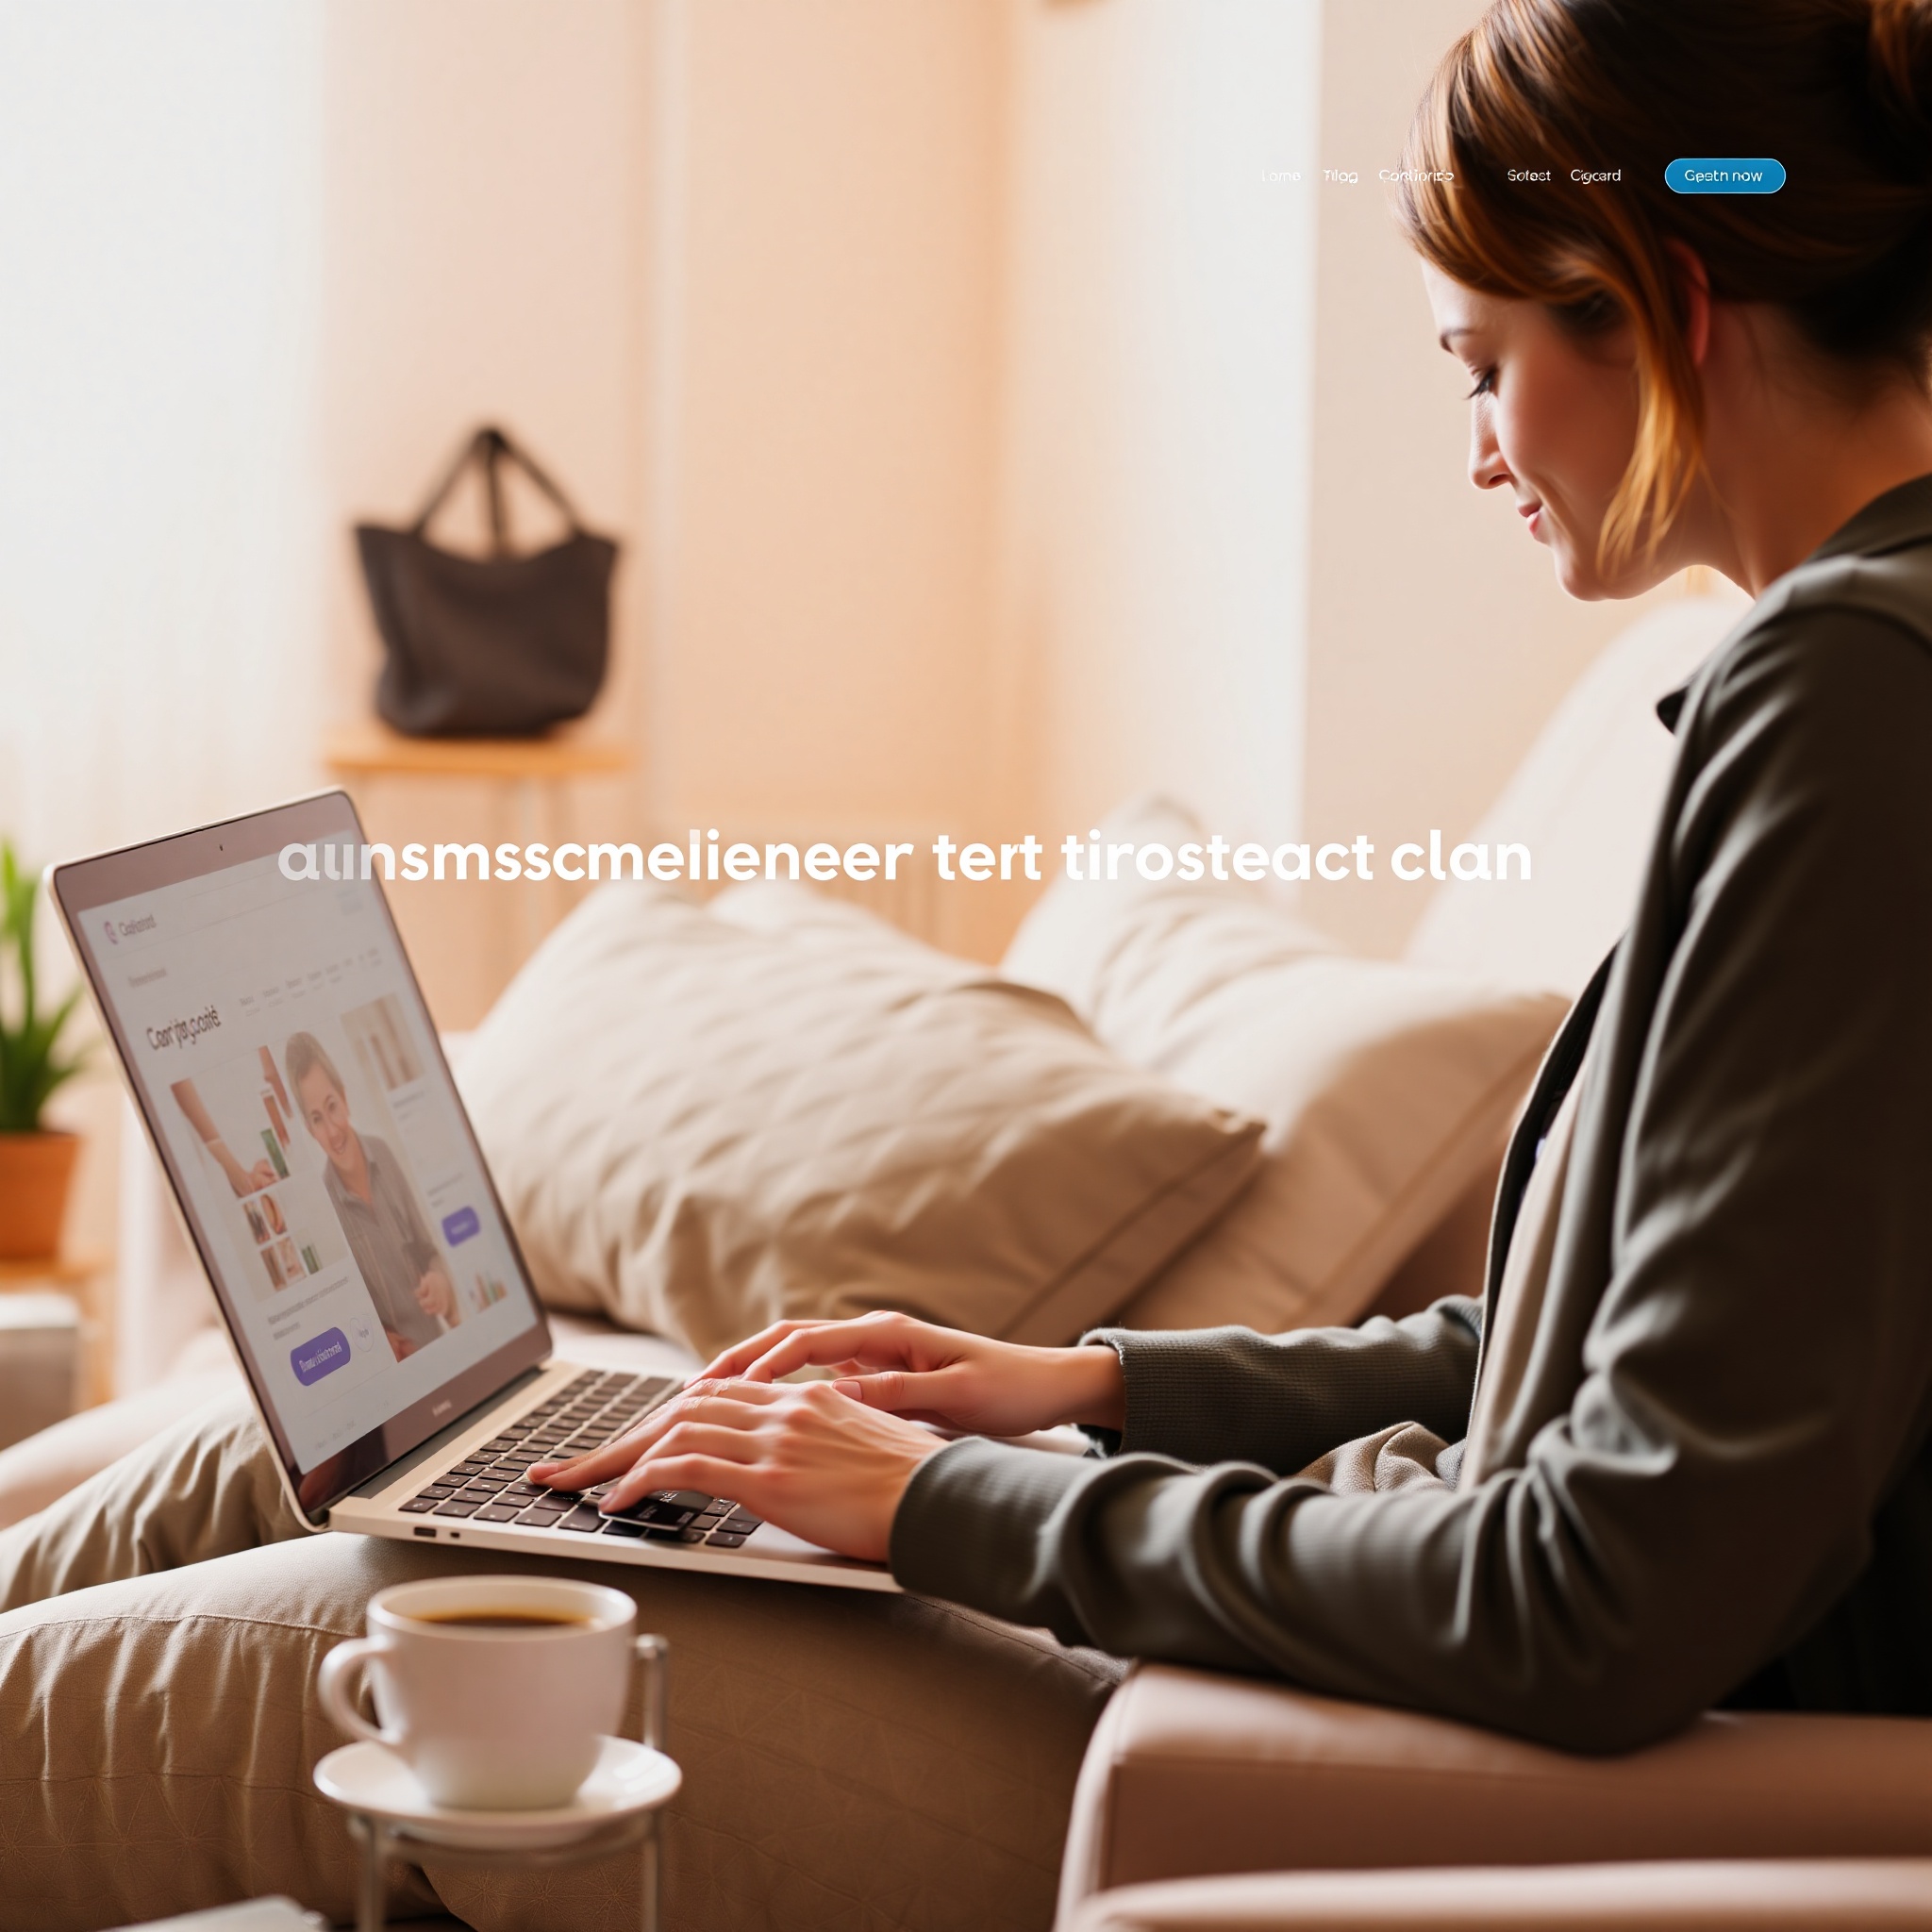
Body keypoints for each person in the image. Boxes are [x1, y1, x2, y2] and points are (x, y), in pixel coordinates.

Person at [4, 2, 1932, 1926]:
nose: (1477, 450)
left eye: (1481, 365)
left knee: (327, 1626)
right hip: (1307, 1635)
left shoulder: (1850, 698)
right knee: (275, 1467)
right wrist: (1064, 1384)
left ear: (1666, 303)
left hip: (1316, 1744)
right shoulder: (1842, 679)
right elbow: (1594, 1346)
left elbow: (1601, 1583)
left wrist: (926, 1501)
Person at [285, 1031, 460, 1358]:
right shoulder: (326, 1208)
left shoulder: (384, 1153)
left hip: (442, 1351)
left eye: (332, 1107)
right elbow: (347, 1313)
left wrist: (439, 1278)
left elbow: (427, 1248)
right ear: (310, 1131)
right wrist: (381, 1340)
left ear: (345, 1099)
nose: (333, 1130)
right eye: (317, 1119)